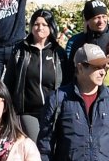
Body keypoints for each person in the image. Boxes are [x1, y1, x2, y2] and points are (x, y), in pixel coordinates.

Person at [4, 8, 65, 148]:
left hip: (53, 110)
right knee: (37, 145)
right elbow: (10, 79)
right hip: (28, 110)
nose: (40, 28)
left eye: (44, 24)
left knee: (53, 146)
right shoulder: (20, 50)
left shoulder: (57, 52)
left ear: (51, 27)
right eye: (36, 24)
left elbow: (66, 80)